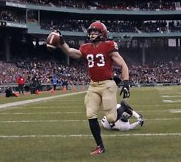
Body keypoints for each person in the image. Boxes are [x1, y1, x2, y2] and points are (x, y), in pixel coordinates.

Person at [55, 21, 130, 155]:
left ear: (102, 33)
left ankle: (124, 107)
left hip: (107, 84)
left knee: (112, 119)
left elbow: (123, 64)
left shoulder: (109, 45)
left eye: (96, 31)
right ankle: (100, 146)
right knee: (90, 114)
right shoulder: (85, 47)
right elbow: (72, 52)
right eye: (91, 31)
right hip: (93, 85)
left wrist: (126, 83)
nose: (92, 34)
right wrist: (62, 43)